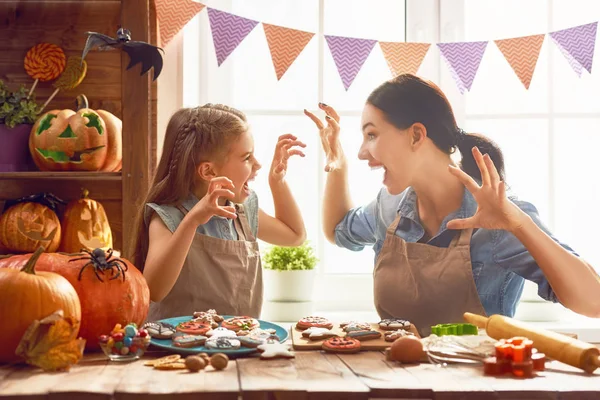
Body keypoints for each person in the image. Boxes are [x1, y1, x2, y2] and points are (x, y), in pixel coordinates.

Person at [305, 74, 600, 334]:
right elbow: (338, 230)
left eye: (372, 134)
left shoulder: (498, 219)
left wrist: (519, 224)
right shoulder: (389, 207)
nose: (361, 152)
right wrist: (337, 162)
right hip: (398, 386)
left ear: (416, 135)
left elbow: (593, 302)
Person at [134, 103, 307, 320]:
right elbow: (154, 290)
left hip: (238, 347)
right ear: (209, 171)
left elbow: (294, 236)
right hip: (180, 349)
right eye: (247, 158)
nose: (258, 165)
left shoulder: (242, 210)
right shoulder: (167, 216)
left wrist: (277, 182)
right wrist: (193, 220)